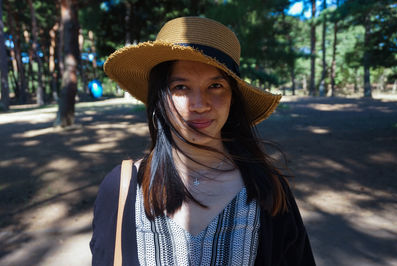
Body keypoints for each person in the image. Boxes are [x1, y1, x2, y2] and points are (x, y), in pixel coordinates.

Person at [90, 16, 315, 266]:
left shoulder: (269, 191)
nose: (199, 105)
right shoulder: (121, 189)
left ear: (233, 97)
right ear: (159, 97)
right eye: (181, 87)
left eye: (216, 85)